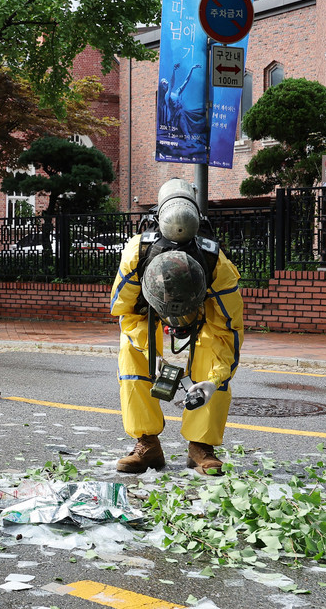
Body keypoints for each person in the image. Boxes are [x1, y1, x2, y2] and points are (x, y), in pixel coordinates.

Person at [109, 178, 243, 475]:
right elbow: (124, 312)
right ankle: (146, 443)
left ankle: (201, 446)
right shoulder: (137, 255)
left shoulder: (217, 266)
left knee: (211, 350)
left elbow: (229, 331)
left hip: (203, 314)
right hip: (147, 313)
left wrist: (214, 381)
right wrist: (151, 353)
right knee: (130, 354)